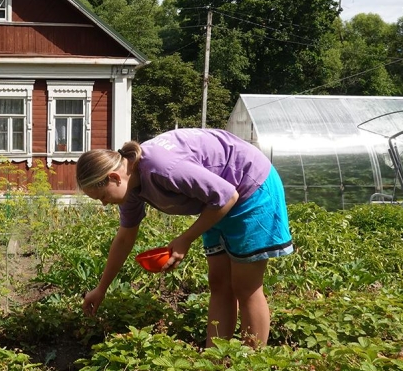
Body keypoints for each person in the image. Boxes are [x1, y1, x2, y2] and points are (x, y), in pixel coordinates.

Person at [76, 128, 293, 348]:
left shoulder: (162, 168)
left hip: (250, 187)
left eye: (102, 196)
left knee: (245, 287)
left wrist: (185, 239)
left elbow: (228, 196)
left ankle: (252, 366)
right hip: (216, 202)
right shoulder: (130, 187)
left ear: (114, 177)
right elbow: (124, 239)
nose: (103, 203)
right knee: (219, 283)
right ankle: (215, 359)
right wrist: (101, 289)